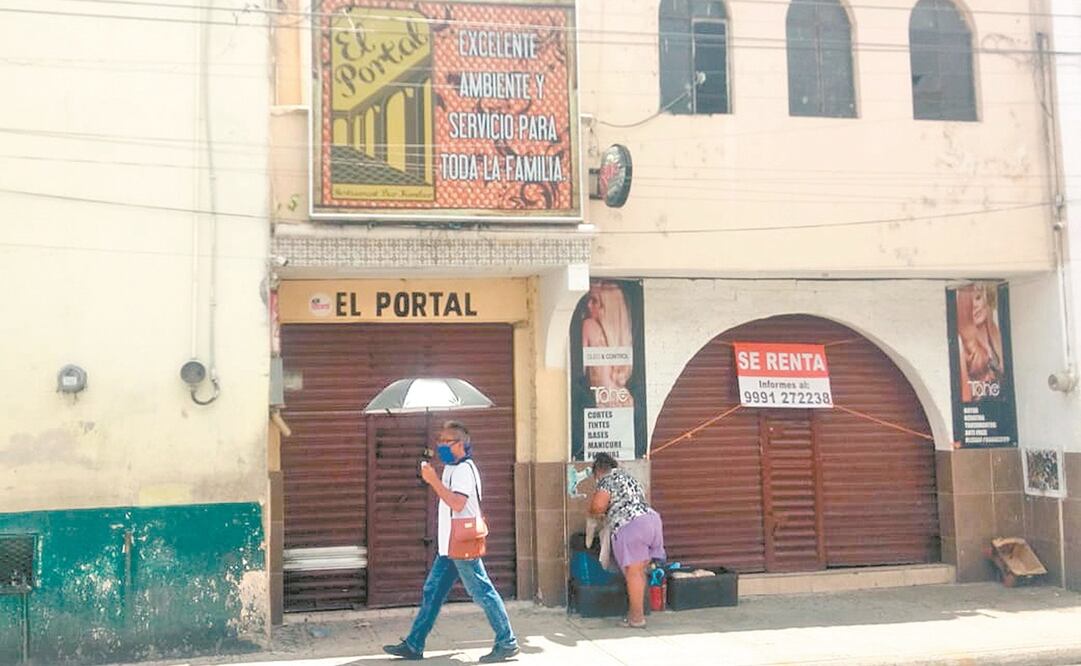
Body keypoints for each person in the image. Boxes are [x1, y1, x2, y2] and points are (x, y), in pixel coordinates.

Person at [383, 421, 520, 663]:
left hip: (463, 545)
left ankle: (507, 642)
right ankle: (414, 645)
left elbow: (457, 503)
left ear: (460, 444)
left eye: (446, 441)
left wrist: (433, 481)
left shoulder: (464, 470)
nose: (440, 445)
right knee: (432, 591)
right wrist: (434, 478)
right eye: (439, 441)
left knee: (482, 592)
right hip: (449, 547)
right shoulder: (450, 468)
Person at [589, 452, 666, 628]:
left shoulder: (607, 479)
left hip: (631, 524)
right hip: (651, 521)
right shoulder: (629, 478)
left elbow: (598, 506)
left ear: (598, 470)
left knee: (633, 573)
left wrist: (594, 511)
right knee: (639, 571)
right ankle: (636, 613)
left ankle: (637, 618)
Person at [581, 281, 635, 408]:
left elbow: (580, 371)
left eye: (594, 301)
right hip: (622, 399)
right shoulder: (621, 337)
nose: (588, 305)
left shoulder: (589, 325)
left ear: (607, 307)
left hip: (601, 400)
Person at [955, 282, 1005, 402]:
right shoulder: (961, 345)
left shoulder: (994, 332)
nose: (975, 307)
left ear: (986, 299)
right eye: (969, 305)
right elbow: (965, 398)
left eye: (978, 298)